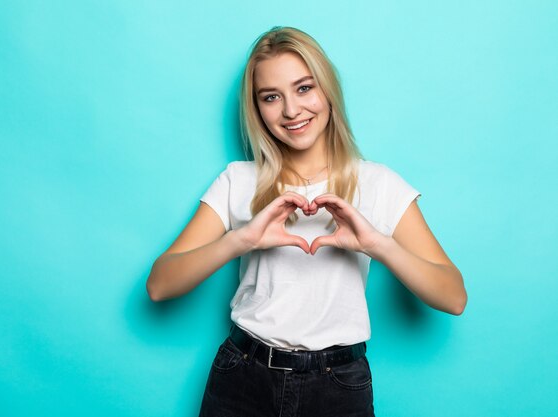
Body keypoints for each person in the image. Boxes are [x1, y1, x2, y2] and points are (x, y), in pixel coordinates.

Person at [147, 26, 467, 417]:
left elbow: (453, 297)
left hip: (338, 386)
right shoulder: (238, 180)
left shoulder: (378, 182)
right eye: (271, 97)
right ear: (257, 109)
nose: (291, 110)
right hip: (242, 377)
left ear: (327, 90)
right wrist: (241, 239)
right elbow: (160, 285)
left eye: (304, 88)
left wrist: (376, 244)